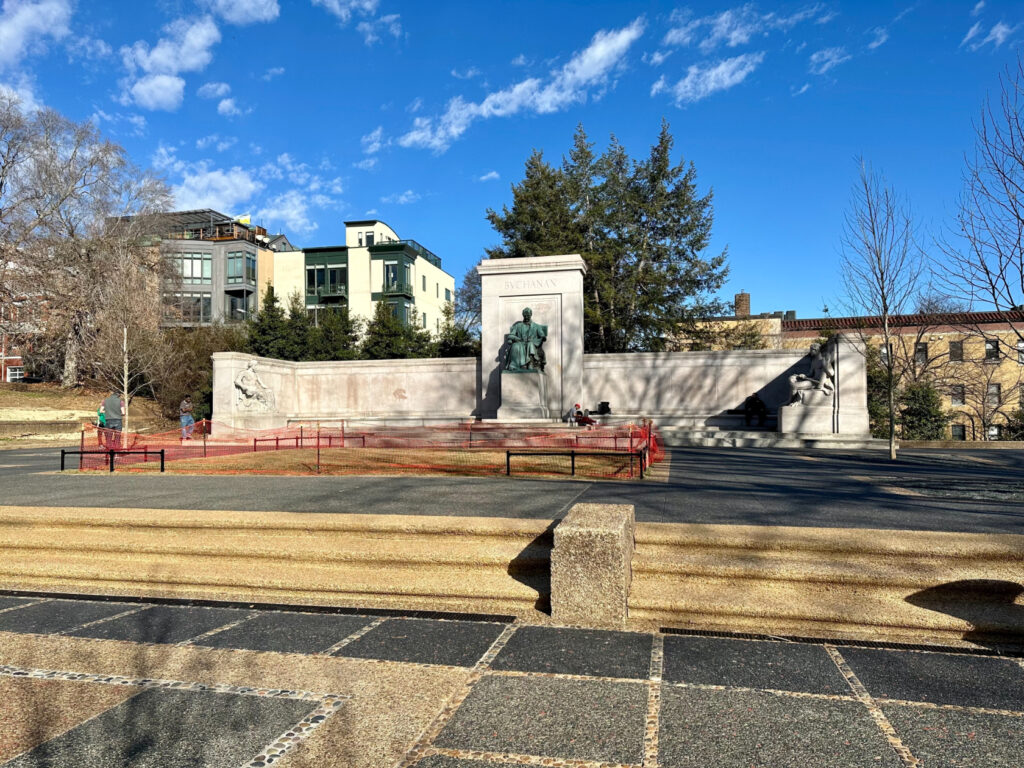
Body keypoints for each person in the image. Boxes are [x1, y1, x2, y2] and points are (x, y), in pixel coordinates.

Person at [504, 307, 547, 372]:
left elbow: (542, 336)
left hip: (532, 344)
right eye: (525, 315)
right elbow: (511, 335)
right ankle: (514, 365)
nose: (526, 317)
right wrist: (516, 338)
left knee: (530, 344)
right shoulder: (518, 325)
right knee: (515, 346)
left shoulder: (537, 326)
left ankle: (530, 363)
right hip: (520, 343)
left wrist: (541, 338)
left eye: (528, 315)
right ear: (523, 315)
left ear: (531, 315)